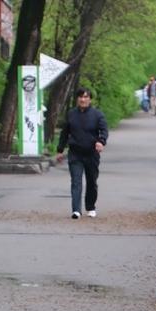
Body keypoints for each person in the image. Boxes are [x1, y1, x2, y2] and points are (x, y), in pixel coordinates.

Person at [56, 88, 108, 219]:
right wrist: (60, 150)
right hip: (75, 153)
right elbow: (64, 133)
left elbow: (104, 130)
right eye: (80, 97)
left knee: (92, 182)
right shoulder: (71, 114)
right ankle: (76, 210)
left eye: (85, 97)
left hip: (91, 153)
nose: (83, 99)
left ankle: (90, 207)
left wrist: (101, 142)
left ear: (90, 99)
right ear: (77, 99)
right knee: (76, 181)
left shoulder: (97, 115)